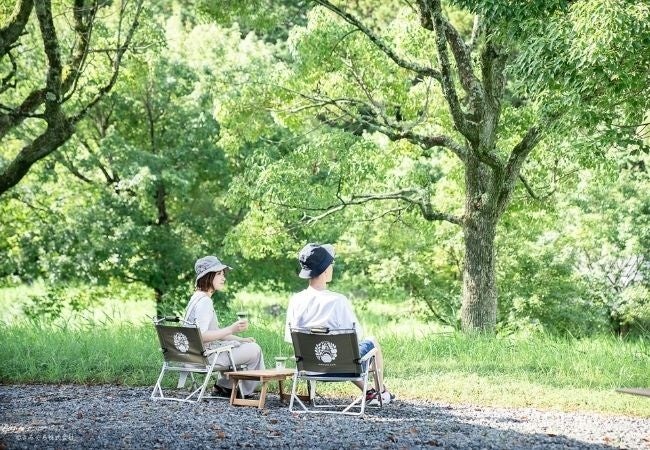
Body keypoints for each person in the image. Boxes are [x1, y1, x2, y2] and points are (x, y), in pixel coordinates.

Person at [284, 243, 395, 406]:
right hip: (342, 367)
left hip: (309, 367)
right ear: (325, 270)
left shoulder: (296, 300)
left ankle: (369, 392)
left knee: (337, 351)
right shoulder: (338, 300)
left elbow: (290, 339)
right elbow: (356, 336)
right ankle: (381, 392)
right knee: (371, 342)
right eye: (331, 264)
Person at [185, 255, 265, 397]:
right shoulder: (205, 302)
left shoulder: (196, 298)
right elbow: (201, 336)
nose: (223, 278)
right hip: (205, 358)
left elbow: (216, 333)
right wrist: (231, 328)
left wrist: (241, 339)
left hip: (192, 355)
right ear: (208, 276)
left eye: (223, 274)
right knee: (255, 349)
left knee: (244, 345)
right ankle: (240, 391)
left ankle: (224, 387)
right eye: (219, 274)